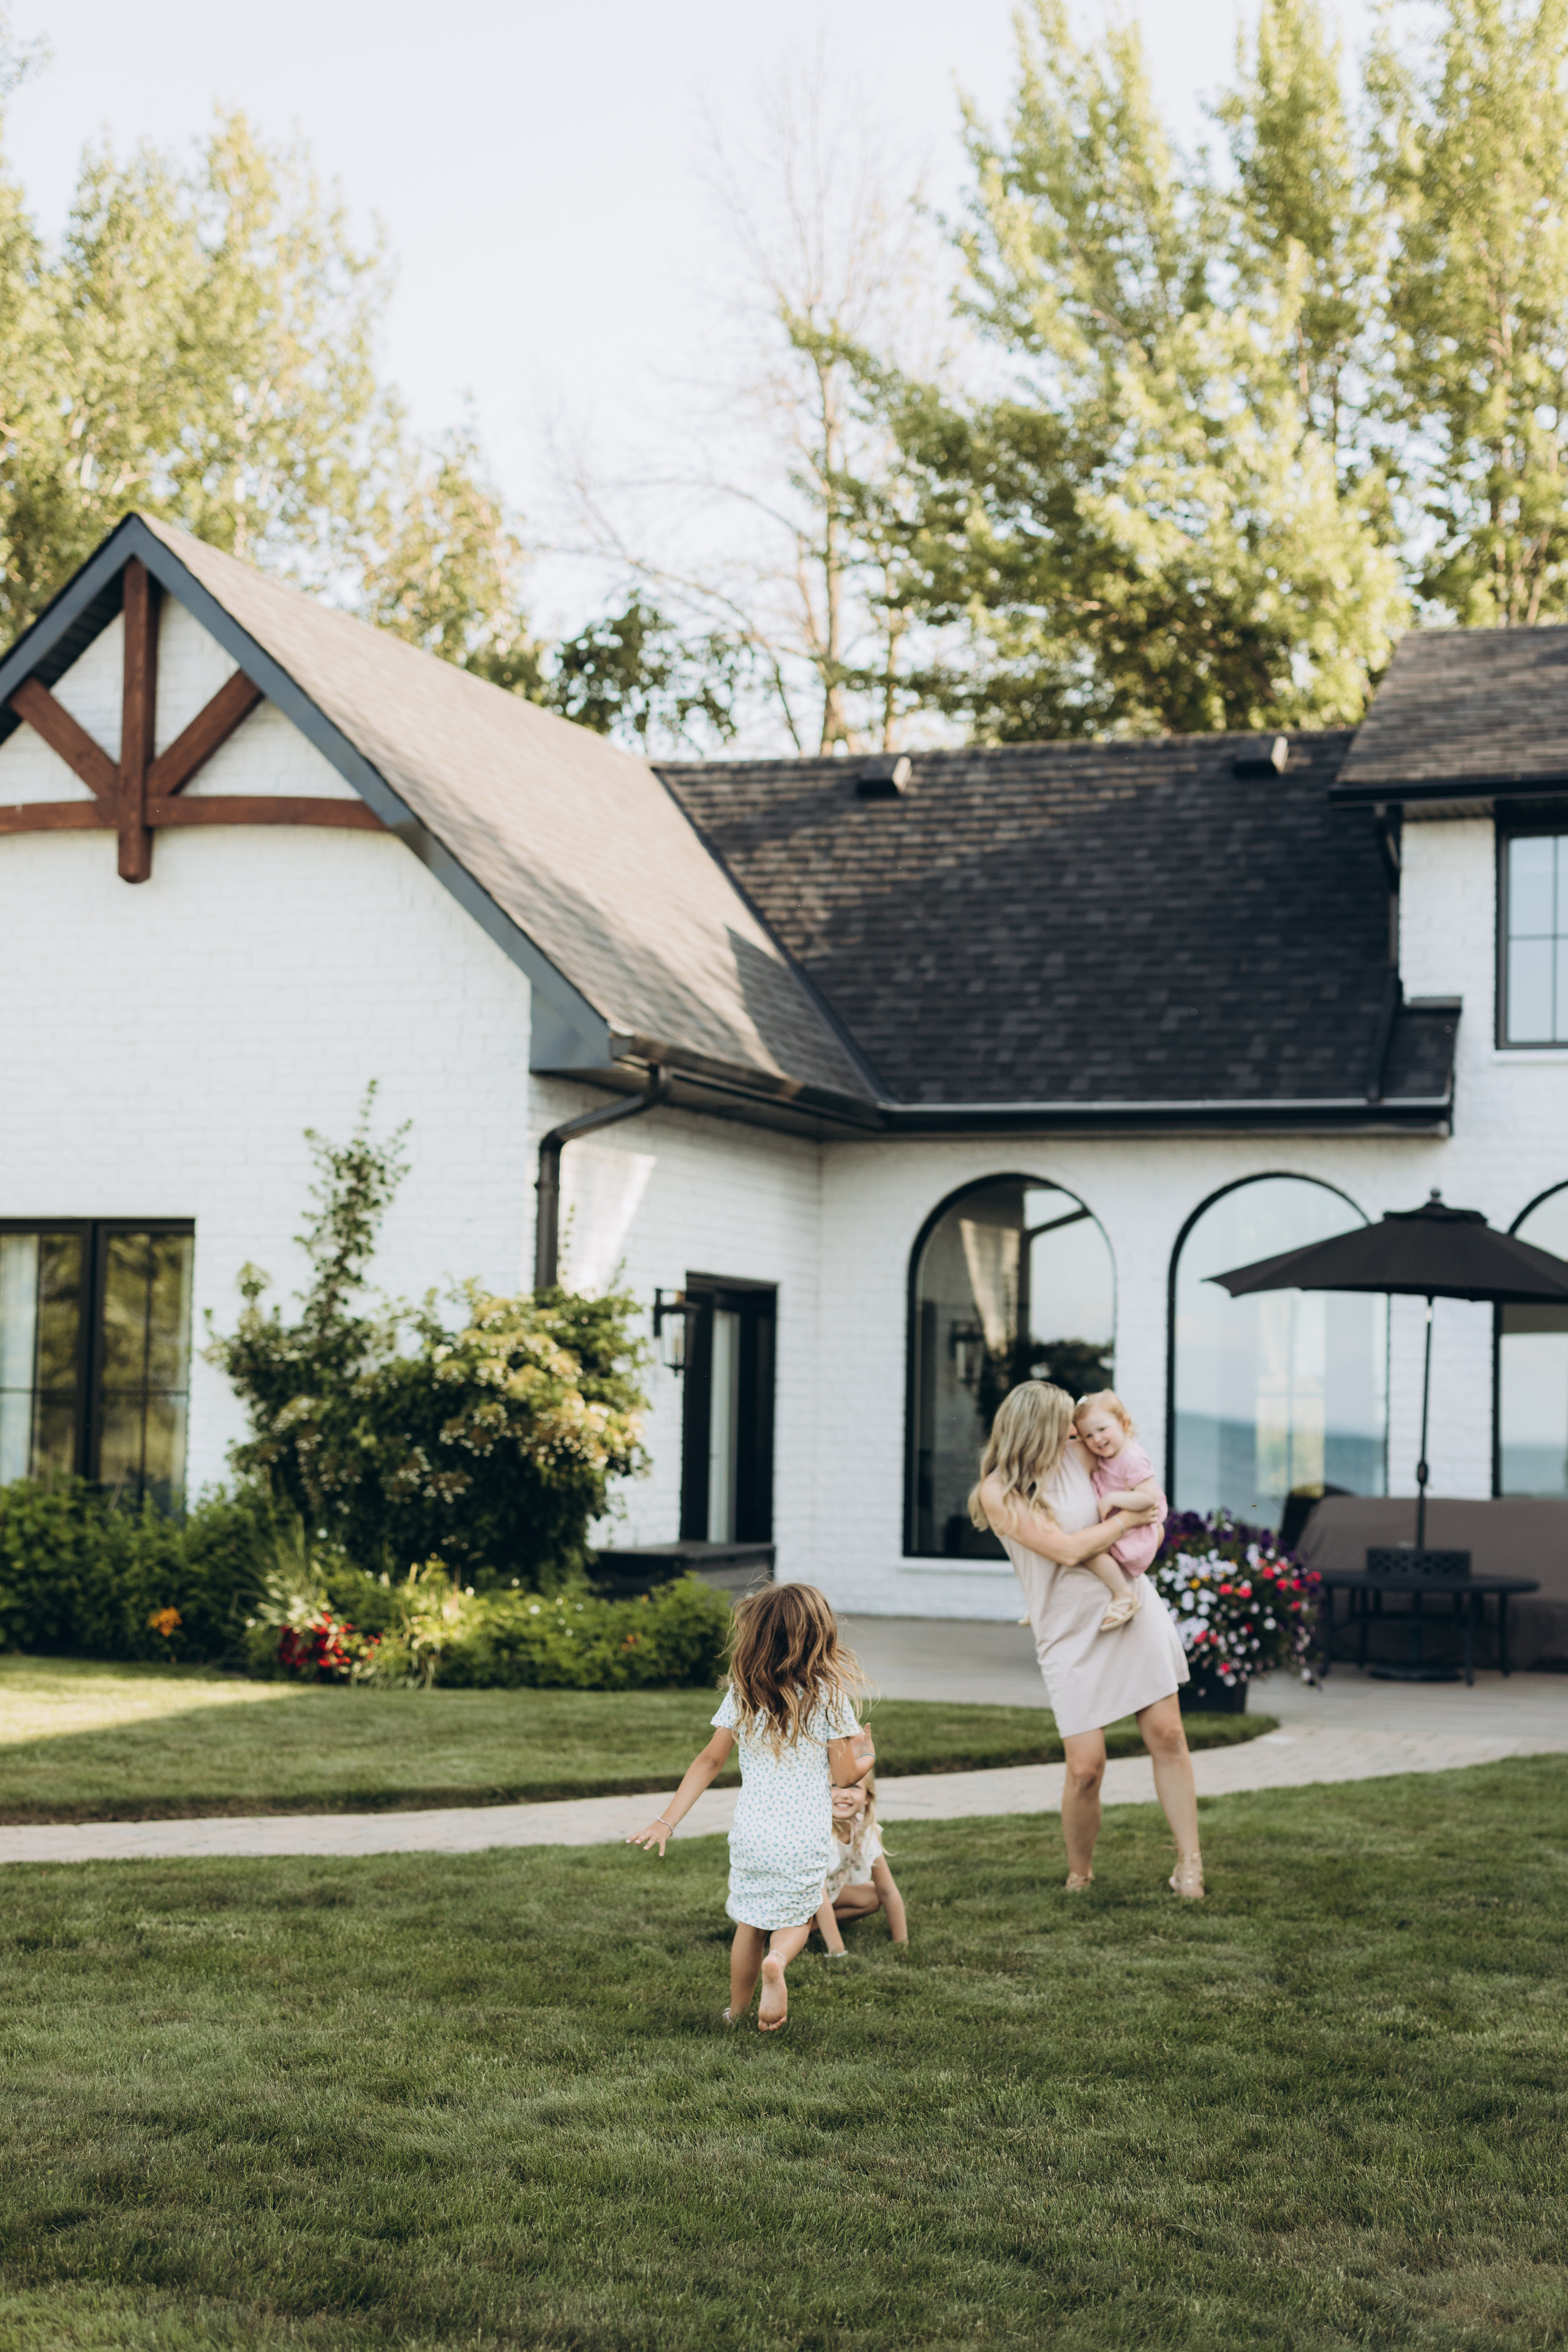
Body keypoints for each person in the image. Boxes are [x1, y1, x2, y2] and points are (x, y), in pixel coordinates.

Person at [971, 1382, 1205, 1900]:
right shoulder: (998, 1490)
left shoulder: (1080, 1453)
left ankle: (1190, 1862)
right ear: (1035, 1428)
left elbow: (1142, 1480)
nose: (1076, 1434)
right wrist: (1128, 1517)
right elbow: (1069, 1550)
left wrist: (1146, 1509)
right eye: (1064, 1426)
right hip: (1066, 1629)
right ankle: (1081, 1872)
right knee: (1085, 1767)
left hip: (1130, 1608)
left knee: (1168, 1735)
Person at [627, 1583, 874, 2031]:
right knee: (797, 1919)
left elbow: (710, 1761)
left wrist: (667, 1820)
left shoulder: (746, 1692)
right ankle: (777, 1962)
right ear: (820, 1635)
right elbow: (844, 1777)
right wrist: (867, 1756)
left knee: (749, 1923)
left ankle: (737, 2012)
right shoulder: (830, 1698)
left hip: (753, 1835)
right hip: (803, 1835)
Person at [1072, 1390, 1167, 1592]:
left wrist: (1113, 1498)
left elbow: (1149, 1498)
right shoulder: (1110, 1455)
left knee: (1089, 1553)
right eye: (1088, 1435)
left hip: (1131, 1536)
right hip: (1121, 1529)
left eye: (1102, 1429)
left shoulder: (1131, 1458)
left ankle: (1123, 1595)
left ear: (1124, 1423)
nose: (1097, 1439)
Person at [813, 1776, 908, 1952]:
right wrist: (837, 1950)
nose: (844, 1794)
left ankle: (812, 1927)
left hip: (831, 1892)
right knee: (804, 1916)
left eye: (854, 1787)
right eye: (835, 1785)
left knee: (873, 1896)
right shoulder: (817, 1832)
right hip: (802, 1899)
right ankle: (795, 1930)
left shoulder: (864, 1830)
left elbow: (888, 1891)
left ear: (867, 1797)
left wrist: (901, 1943)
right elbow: (819, 1897)